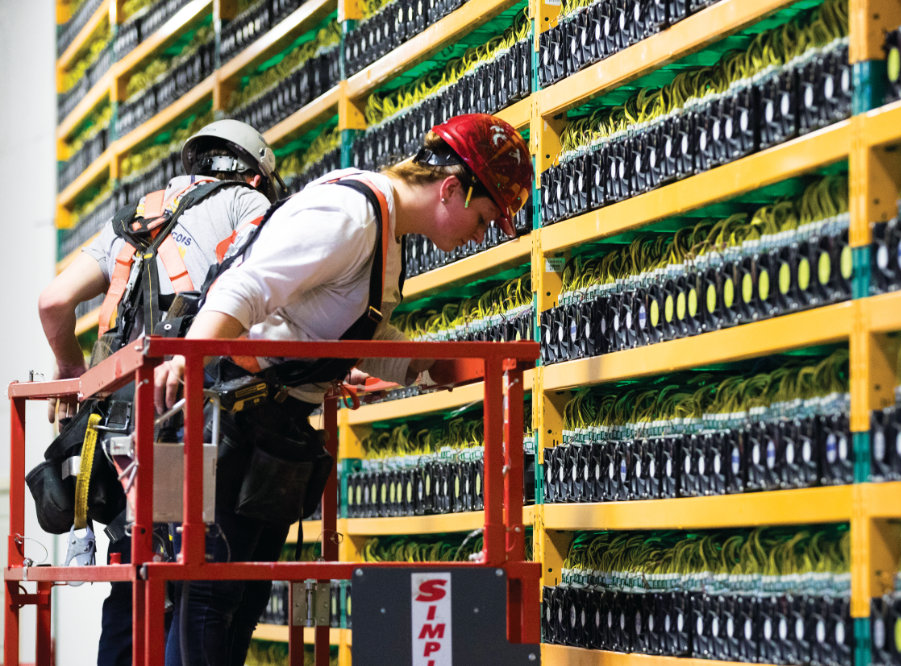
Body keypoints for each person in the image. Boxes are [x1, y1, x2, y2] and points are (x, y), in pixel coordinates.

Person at [150, 113, 533, 666]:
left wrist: (434, 367)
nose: (479, 235)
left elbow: (358, 330)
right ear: (451, 189)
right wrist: (190, 360)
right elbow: (247, 285)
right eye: (482, 218)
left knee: (242, 593)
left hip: (270, 423)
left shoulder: (386, 231)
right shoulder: (350, 215)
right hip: (232, 409)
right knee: (212, 590)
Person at [36, 119, 283, 666]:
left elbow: (54, 302)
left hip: (120, 432)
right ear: (256, 174)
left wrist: (72, 373)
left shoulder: (134, 217)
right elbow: (261, 290)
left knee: (134, 579)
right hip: (191, 424)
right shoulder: (247, 204)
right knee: (195, 588)